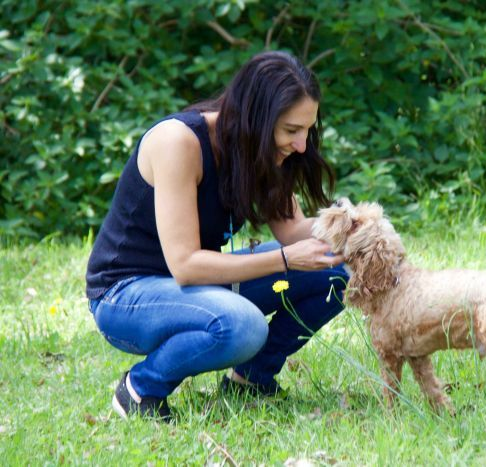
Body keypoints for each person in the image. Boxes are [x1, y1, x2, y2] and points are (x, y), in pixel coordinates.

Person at [85, 51, 347, 422]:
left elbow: (294, 233)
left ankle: (251, 381)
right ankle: (140, 390)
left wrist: (351, 228)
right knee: (243, 325)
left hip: (199, 288)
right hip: (126, 295)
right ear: (257, 118)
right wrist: (287, 260)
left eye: (307, 130)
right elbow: (186, 266)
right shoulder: (179, 142)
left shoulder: (260, 152)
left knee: (337, 272)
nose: (302, 145)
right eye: (291, 130)